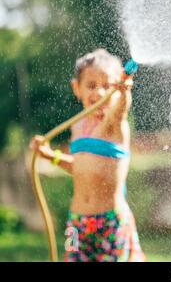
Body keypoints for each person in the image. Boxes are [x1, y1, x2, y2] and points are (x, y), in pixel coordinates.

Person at [29, 49, 145, 262]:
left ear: (117, 89)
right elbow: (80, 167)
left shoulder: (113, 125)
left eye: (107, 86)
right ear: (77, 88)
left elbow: (120, 111)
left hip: (110, 223)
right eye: (91, 86)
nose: (100, 93)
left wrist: (124, 93)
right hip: (77, 223)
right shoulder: (77, 126)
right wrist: (51, 156)